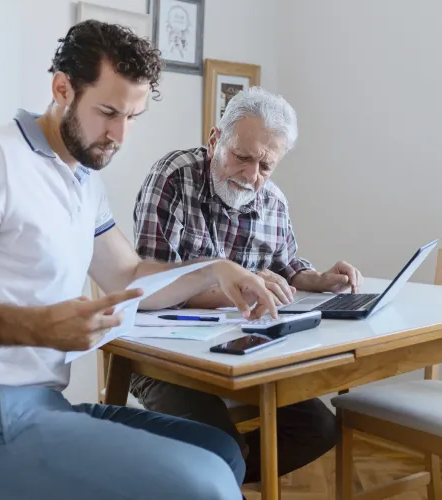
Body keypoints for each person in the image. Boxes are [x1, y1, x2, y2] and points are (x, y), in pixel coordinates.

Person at [0, 20, 279, 500]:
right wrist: (37, 327)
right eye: (108, 112)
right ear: (62, 88)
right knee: (204, 484)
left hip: (41, 406)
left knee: (222, 452)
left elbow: (127, 275)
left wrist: (213, 269)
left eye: (132, 116)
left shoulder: (82, 179)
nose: (119, 135)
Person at [130, 86, 364, 484]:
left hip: (243, 356)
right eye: (242, 157)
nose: (251, 176)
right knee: (222, 449)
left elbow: (289, 267)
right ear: (214, 139)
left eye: (266, 166)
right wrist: (236, 286)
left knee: (319, 430)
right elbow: (150, 290)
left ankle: (216, 478)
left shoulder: (272, 201)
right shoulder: (173, 178)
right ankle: (214, 472)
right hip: (164, 358)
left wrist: (319, 279)